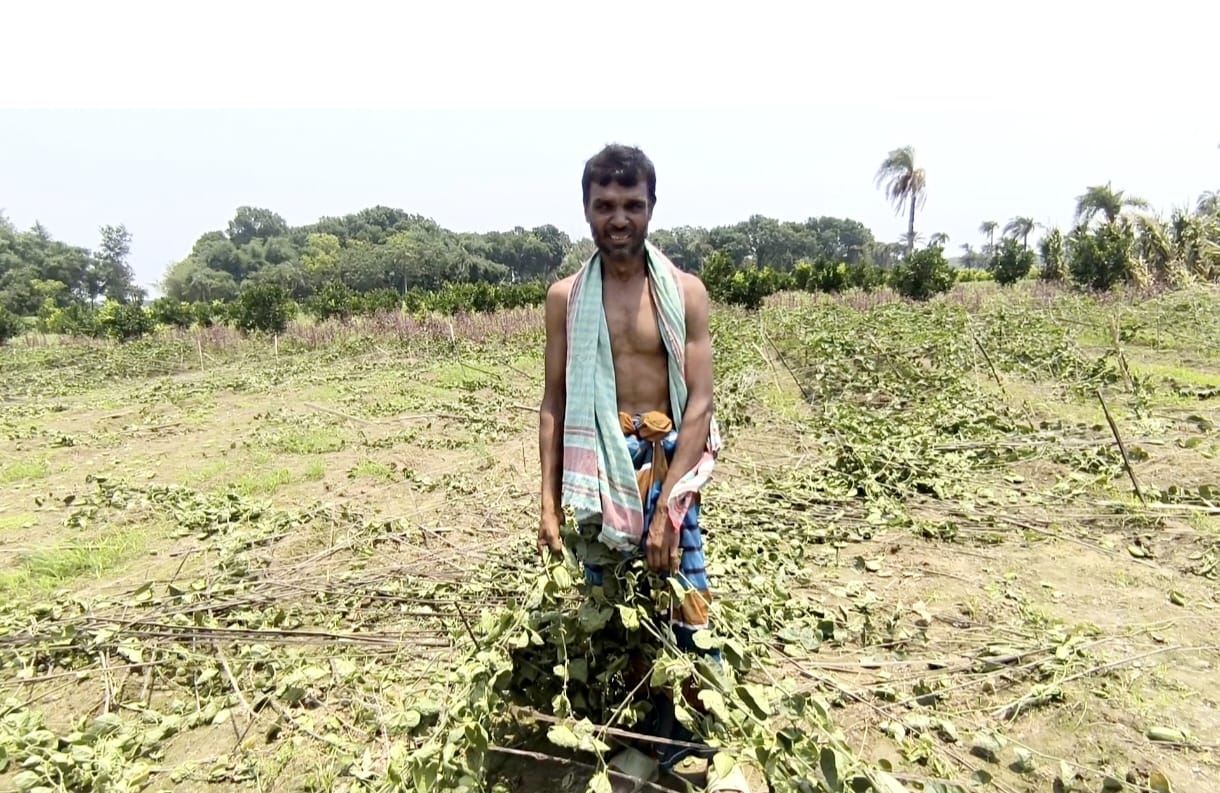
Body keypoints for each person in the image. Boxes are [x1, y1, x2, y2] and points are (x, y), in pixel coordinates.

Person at [537, 144, 748, 793]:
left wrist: (666, 508)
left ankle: (689, 737)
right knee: (614, 606)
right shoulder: (565, 299)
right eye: (605, 205)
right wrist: (546, 505)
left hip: (666, 466)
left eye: (632, 204)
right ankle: (635, 739)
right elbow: (555, 400)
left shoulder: (684, 293)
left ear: (652, 208)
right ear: (586, 211)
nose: (619, 217)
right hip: (600, 473)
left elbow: (700, 402)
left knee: (686, 600)